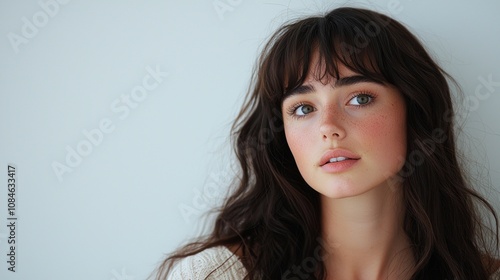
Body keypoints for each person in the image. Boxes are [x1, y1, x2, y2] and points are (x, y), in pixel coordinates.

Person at [151, 6, 500, 280]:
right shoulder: (216, 275)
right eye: (303, 108)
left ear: (416, 110)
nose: (328, 128)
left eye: (360, 99)